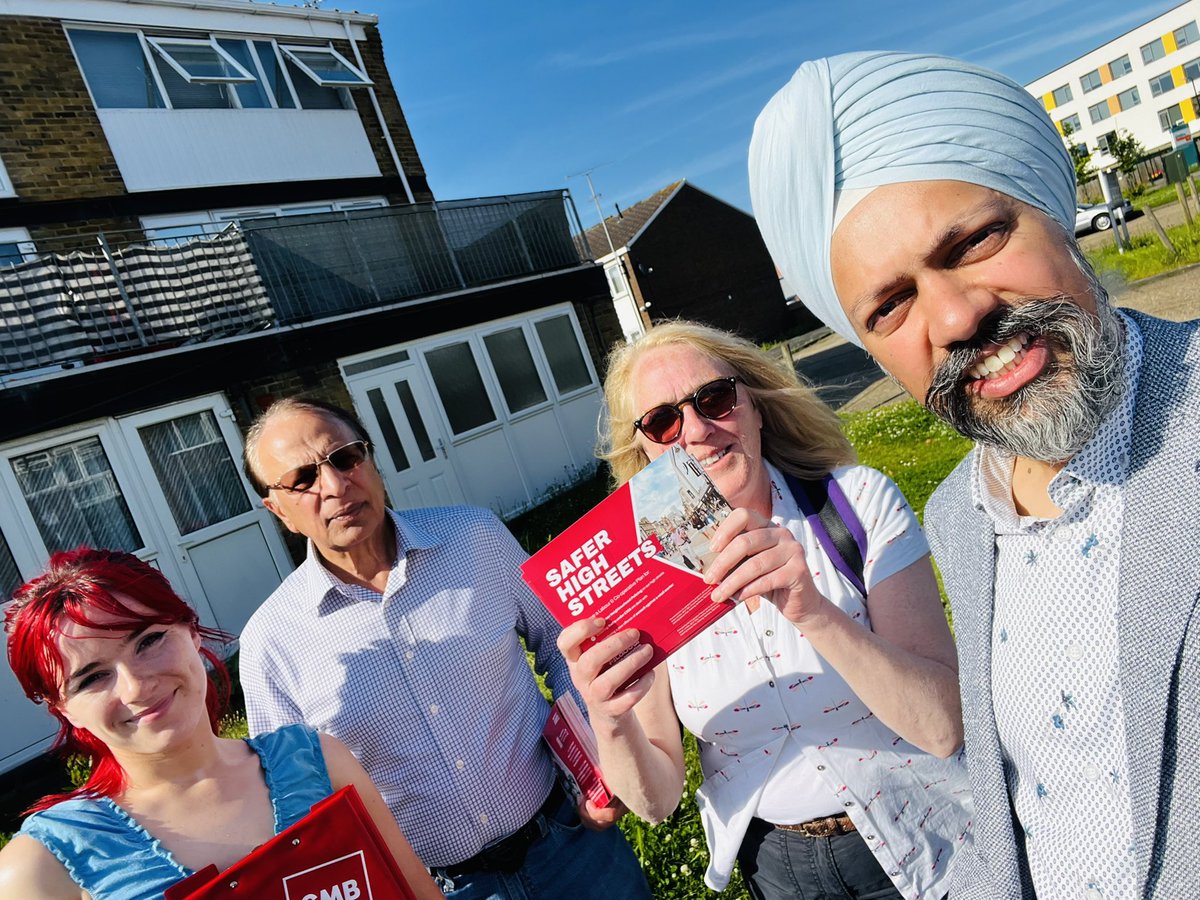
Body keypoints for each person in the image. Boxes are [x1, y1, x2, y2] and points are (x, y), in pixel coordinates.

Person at [748, 51, 1200, 900]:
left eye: (976, 241)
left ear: (1054, 211)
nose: (957, 318)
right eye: (891, 306)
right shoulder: (961, 513)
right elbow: (1019, 807)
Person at [558, 320, 974, 900]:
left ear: (753, 404)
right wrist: (608, 718)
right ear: (646, 450)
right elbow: (656, 800)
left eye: (715, 399)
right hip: (776, 868)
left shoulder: (855, 503)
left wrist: (812, 612)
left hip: (925, 840)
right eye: (663, 421)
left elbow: (943, 726)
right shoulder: (640, 581)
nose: (698, 431)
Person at [237, 397, 651, 900]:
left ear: (370, 458)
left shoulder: (475, 538)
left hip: (573, 849)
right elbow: (294, 806)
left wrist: (595, 766)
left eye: (345, 457)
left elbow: (567, 647)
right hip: (441, 889)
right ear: (277, 509)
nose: (335, 485)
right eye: (303, 478)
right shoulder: (270, 643)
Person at [0, 547, 441, 900]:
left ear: (191, 631)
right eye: (93, 677)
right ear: (63, 708)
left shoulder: (320, 762)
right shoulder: (43, 867)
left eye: (149, 641)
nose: (136, 687)